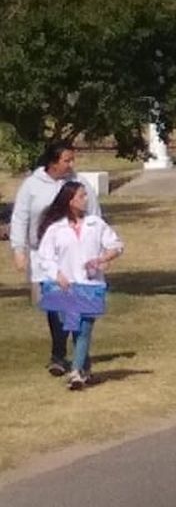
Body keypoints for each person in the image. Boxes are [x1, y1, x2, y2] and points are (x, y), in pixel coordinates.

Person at [10, 139, 99, 376]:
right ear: (52, 162)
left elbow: (94, 215)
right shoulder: (32, 185)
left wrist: (97, 252)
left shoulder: (78, 183)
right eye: (66, 160)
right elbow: (20, 218)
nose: (70, 164)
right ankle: (59, 354)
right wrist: (19, 250)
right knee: (56, 305)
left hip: (74, 253)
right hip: (43, 253)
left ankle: (79, 355)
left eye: (72, 160)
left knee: (77, 302)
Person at [34, 181, 123, 390]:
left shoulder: (96, 224)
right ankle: (85, 367)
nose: (86, 199)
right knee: (74, 327)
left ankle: (75, 372)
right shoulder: (56, 229)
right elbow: (45, 257)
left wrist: (102, 259)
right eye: (81, 196)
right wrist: (57, 274)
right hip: (65, 287)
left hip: (90, 285)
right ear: (70, 200)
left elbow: (116, 245)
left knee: (84, 328)